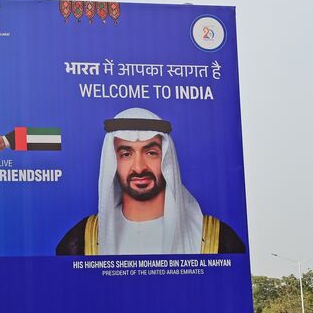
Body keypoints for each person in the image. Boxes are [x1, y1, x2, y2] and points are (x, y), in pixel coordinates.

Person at [56, 107, 245, 255]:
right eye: (126, 154)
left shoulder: (219, 240)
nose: (139, 167)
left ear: (167, 160)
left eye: (151, 153)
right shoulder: (79, 242)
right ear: (113, 161)